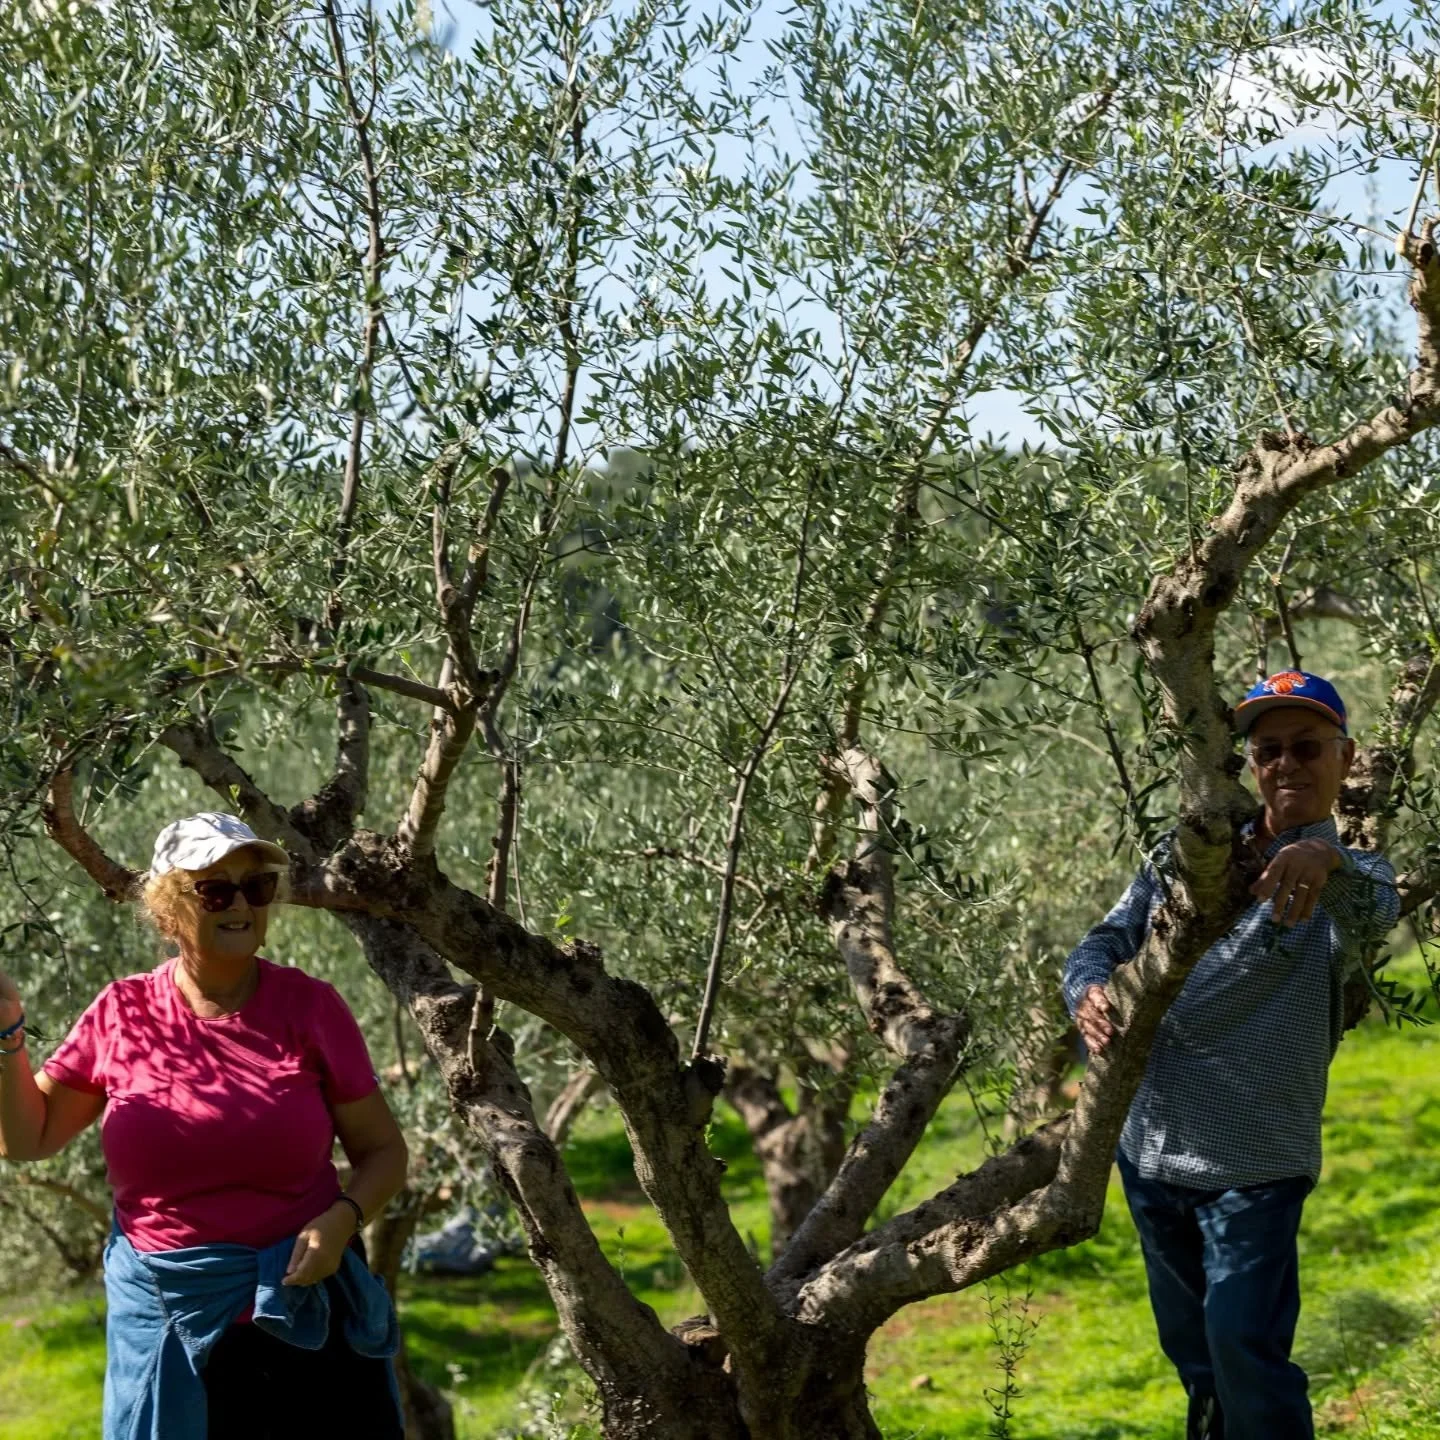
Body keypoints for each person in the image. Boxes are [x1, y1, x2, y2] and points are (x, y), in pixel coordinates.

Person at [1063, 671, 1398, 1440]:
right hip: (1149, 1152)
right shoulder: (1192, 854)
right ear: (1250, 764)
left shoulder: (1342, 884)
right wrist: (1085, 989)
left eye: (1307, 748)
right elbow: (1105, 941)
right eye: (1270, 749)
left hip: (1255, 1166)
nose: (1287, 764)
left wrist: (1328, 861)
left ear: (1344, 759)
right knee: (1196, 1360)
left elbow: (1378, 905)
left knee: (1245, 1351)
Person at [0, 811, 410, 1439]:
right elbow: (27, 1139)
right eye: (215, 889)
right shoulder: (122, 1012)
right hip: (170, 1318)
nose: (240, 903)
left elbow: (383, 1151)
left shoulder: (312, 1007)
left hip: (305, 1313)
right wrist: (6, 1034)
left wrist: (342, 1221)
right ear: (168, 913)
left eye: (256, 886)